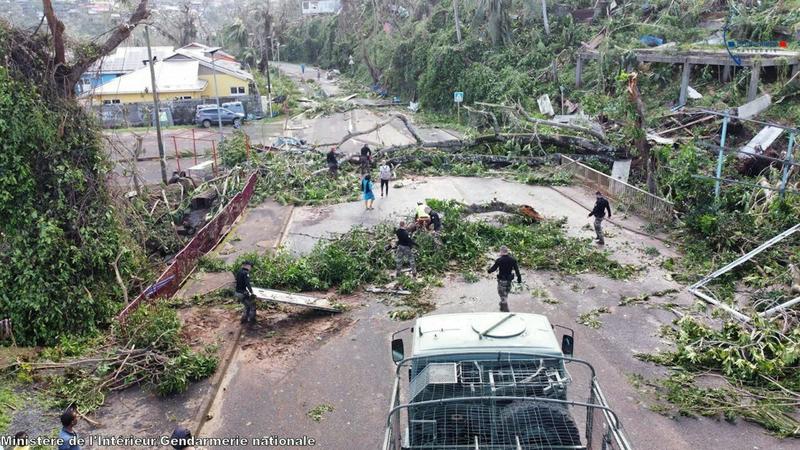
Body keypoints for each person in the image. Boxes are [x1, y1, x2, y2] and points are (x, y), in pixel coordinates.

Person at [488, 246, 522, 313]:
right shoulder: (513, 260)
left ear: (501, 252)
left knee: (501, 293)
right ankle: (503, 303)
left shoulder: (499, 260)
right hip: (509, 280)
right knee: (506, 292)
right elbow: (517, 270)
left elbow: (494, 268)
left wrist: (489, 271)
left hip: (502, 280)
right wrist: (519, 278)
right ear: (507, 251)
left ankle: (505, 308)